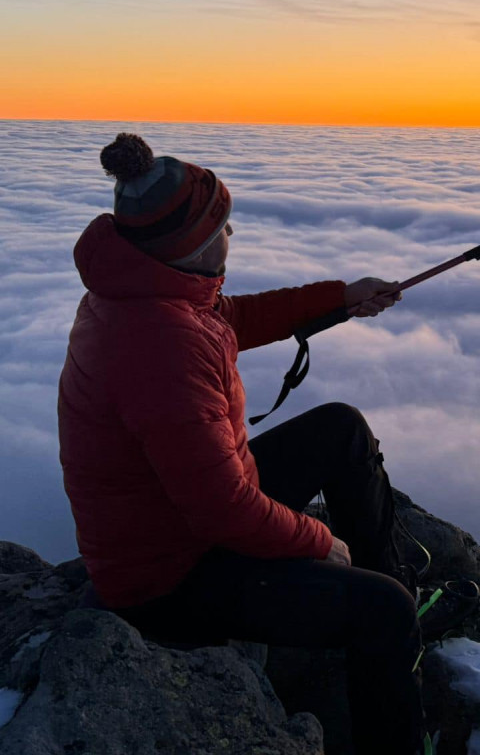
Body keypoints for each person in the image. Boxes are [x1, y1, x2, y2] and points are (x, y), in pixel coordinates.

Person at [58, 133, 427, 754]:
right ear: (193, 245)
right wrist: (321, 541)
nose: (232, 237)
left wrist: (341, 298)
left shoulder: (149, 291)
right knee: (383, 612)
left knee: (340, 428)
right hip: (167, 577)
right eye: (223, 228)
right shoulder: (160, 346)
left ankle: (391, 585)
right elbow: (222, 510)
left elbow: (230, 318)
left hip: (176, 525)